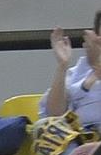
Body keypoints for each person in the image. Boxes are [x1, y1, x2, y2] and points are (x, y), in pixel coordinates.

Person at [41, 15, 101, 147]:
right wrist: (63, 65)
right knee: (47, 129)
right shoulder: (78, 72)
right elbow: (55, 115)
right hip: (80, 138)